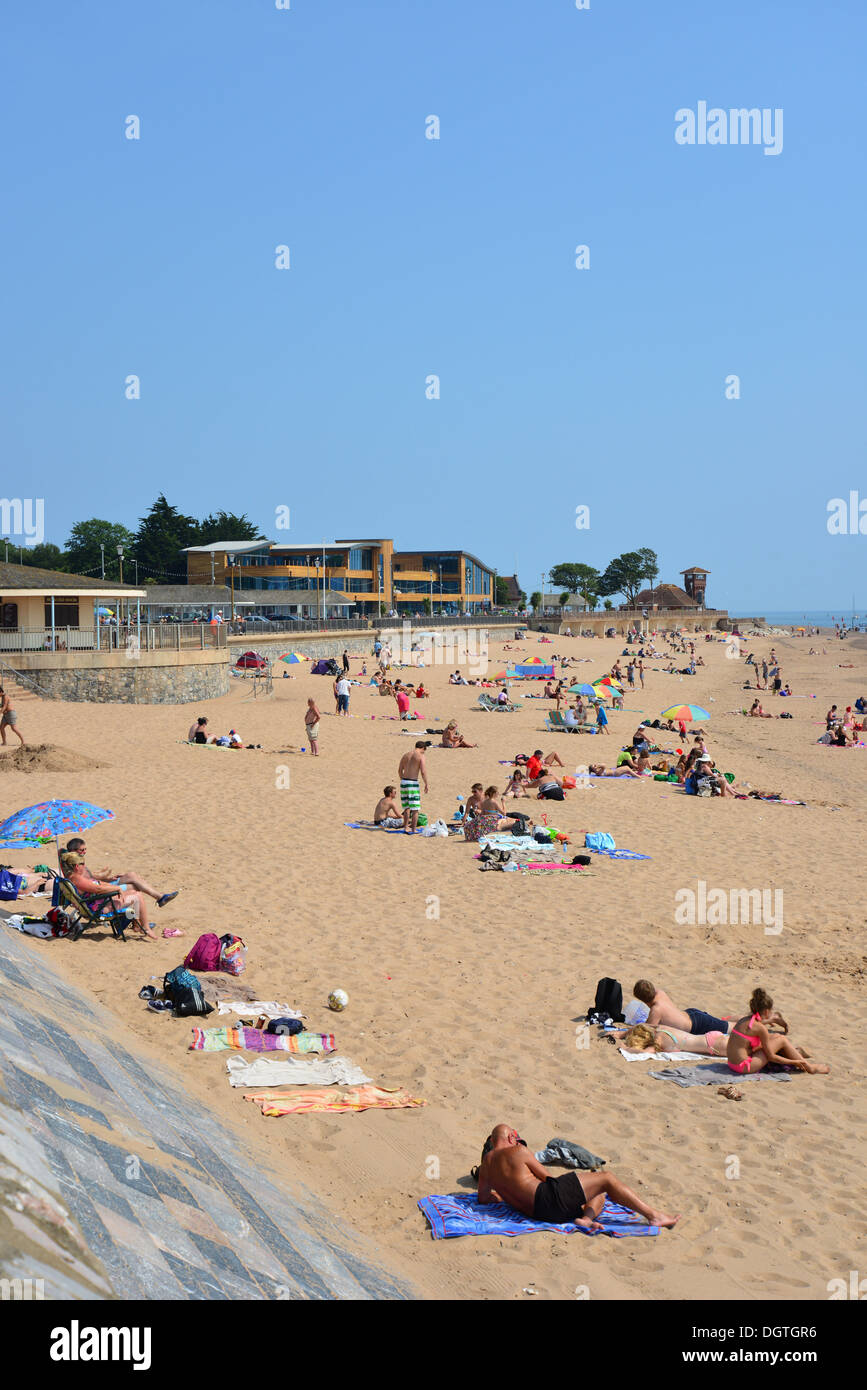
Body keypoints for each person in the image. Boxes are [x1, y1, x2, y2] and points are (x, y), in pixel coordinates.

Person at [474, 1125, 679, 1231]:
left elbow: (483, 1199)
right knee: (605, 1178)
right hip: (549, 1197)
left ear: (492, 1141)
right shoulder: (519, 1150)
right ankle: (654, 1216)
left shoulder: (485, 1167)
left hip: (541, 1214)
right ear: (511, 1138)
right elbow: (547, 1178)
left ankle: (586, 1219)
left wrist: (505, 1197)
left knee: (597, 1189)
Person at [727, 988, 829, 1075]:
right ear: (767, 1011)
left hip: (732, 1063)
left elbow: (759, 1028)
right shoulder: (760, 1028)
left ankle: (795, 1053)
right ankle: (809, 1067)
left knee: (775, 1036)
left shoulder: (744, 1020)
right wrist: (794, 1062)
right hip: (744, 1067)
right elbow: (771, 1057)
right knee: (782, 1039)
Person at [61, 848, 157, 941]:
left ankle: (136, 926)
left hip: (94, 904)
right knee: (137, 896)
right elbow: (98, 889)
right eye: (83, 864)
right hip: (99, 910)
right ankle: (146, 928)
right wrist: (117, 888)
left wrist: (110, 883)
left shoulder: (72, 877)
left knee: (134, 893)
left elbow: (97, 884)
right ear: (77, 866)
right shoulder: (78, 880)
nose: (84, 866)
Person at [63, 837, 178, 910]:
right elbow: (92, 885)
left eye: (85, 849)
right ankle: (136, 922)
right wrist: (108, 882)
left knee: (131, 875)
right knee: (134, 887)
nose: (84, 852)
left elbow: (92, 878)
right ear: (73, 851)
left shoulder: (77, 865)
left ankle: (160, 897)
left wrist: (109, 878)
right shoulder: (75, 867)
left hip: (102, 885)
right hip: (100, 892)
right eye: (81, 850)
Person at [632, 979, 731, 1037]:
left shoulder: (656, 1010)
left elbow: (648, 1032)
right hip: (692, 1015)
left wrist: (626, 1033)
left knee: (731, 1028)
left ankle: (746, 1022)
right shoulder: (660, 993)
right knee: (725, 1024)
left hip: (696, 1025)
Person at [616, 1023, 729, 1057]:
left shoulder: (657, 1042)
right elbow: (643, 1024)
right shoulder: (662, 1028)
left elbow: (644, 1053)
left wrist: (626, 1048)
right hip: (711, 1036)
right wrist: (624, 1033)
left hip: (712, 1046)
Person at [398, 742, 429, 833]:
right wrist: (426, 783)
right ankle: (413, 829)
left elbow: (400, 770)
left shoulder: (406, 755)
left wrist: (402, 779)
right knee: (415, 808)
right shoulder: (420, 756)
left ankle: (405, 827)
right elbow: (423, 771)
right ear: (423, 748)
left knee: (406, 807)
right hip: (413, 782)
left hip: (404, 782)